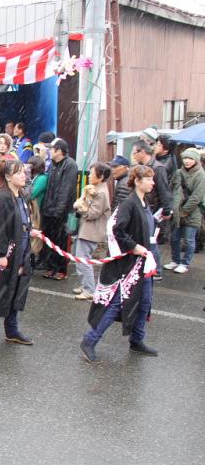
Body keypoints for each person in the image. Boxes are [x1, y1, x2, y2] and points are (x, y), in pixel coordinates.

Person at [80, 165, 159, 363]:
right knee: (117, 304)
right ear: (138, 181)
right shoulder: (129, 203)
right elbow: (116, 229)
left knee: (145, 302)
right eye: (149, 179)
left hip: (144, 263)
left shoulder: (144, 202)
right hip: (128, 264)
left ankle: (136, 339)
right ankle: (89, 340)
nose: (153, 182)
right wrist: (133, 247)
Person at [0, 157, 33, 345]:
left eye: (23, 171)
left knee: (16, 291)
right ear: (7, 176)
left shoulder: (20, 194)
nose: (23, 175)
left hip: (21, 251)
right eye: (18, 172)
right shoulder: (2, 196)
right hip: (7, 253)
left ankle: (12, 330)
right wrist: (0, 254)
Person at [131, 140, 172, 279]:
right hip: (143, 207)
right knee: (145, 240)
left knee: (150, 241)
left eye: (135, 152)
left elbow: (164, 190)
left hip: (154, 211)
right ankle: (147, 268)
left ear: (142, 152)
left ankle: (157, 271)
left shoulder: (158, 168)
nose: (133, 155)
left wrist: (166, 210)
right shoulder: (141, 167)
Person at [39, 138, 78, 280]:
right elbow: (50, 189)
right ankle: (50, 267)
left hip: (62, 213)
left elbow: (66, 191)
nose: (49, 151)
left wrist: (59, 211)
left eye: (51, 149)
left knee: (61, 241)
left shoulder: (70, 165)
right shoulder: (53, 165)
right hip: (49, 210)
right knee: (49, 240)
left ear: (59, 151)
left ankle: (61, 269)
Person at [72, 162, 112, 300]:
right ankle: (85, 285)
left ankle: (89, 289)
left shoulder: (100, 193)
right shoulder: (95, 188)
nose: (89, 176)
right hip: (87, 229)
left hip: (91, 231)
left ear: (100, 177)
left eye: (92, 173)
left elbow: (92, 213)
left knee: (84, 260)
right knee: (79, 259)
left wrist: (80, 206)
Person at [166, 148, 205, 274]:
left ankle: (185, 263)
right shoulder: (178, 172)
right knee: (174, 238)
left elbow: (197, 197)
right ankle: (175, 260)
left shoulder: (201, 174)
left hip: (192, 213)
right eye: (185, 158)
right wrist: (174, 208)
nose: (187, 161)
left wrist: (184, 211)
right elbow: (172, 188)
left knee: (189, 239)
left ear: (196, 160)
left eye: (190, 158)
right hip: (177, 212)